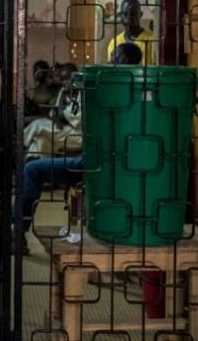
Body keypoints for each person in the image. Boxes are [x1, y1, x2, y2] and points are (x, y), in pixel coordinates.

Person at [16, 44, 143, 254]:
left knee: (32, 169)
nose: (110, 60)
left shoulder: (105, 85)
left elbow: (84, 125)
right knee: (39, 143)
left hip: (94, 163)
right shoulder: (139, 89)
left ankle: (17, 231)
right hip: (116, 164)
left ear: (125, 59)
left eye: (114, 56)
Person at [22, 62, 79, 159]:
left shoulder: (80, 95)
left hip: (74, 135)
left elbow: (61, 115)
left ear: (74, 78)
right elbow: (54, 113)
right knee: (41, 140)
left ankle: (20, 144)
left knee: (37, 125)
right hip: (62, 131)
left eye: (66, 79)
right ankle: (32, 163)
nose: (63, 82)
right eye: (62, 79)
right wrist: (57, 118)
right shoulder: (63, 91)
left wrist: (58, 116)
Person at [106, 0, 157, 65]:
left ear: (140, 15)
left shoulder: (153, 40)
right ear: (121, 16)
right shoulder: (114, 43)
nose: (129, 17)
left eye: (133, 13)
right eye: (126, 13)